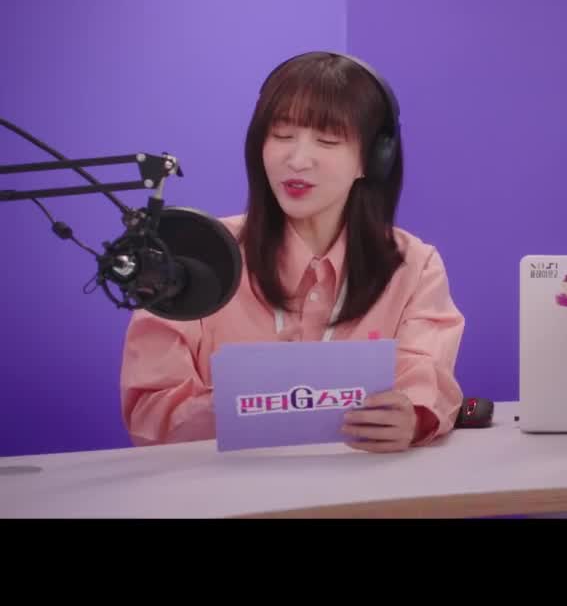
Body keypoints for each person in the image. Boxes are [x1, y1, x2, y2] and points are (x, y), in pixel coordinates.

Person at [120, 51, 465, 453]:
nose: (297, 160)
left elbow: (426, 383)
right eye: (282, 136)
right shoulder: (190, 254)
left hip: (362, 485)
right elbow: (150, 417)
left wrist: (411, 418)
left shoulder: (413, 266)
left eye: (327, 141)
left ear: (373, 159)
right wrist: (247, 401)